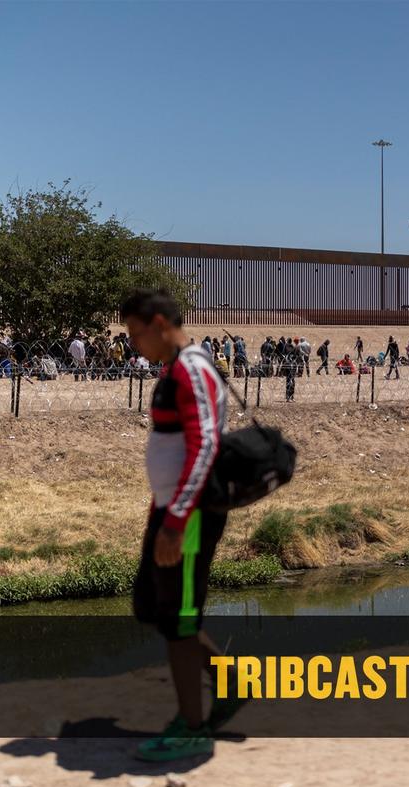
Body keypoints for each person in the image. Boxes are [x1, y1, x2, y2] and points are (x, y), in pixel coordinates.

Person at [119, 288, 236, 762]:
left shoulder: (192, 367)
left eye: (135, 333)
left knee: (180, 620)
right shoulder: (175, 368)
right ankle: (232, 681)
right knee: (153, 605)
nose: (133, 343)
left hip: (189, 517)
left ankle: (192, 728)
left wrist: (176, 521)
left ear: (160, 324)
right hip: (169, 511)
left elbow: (205, 444)